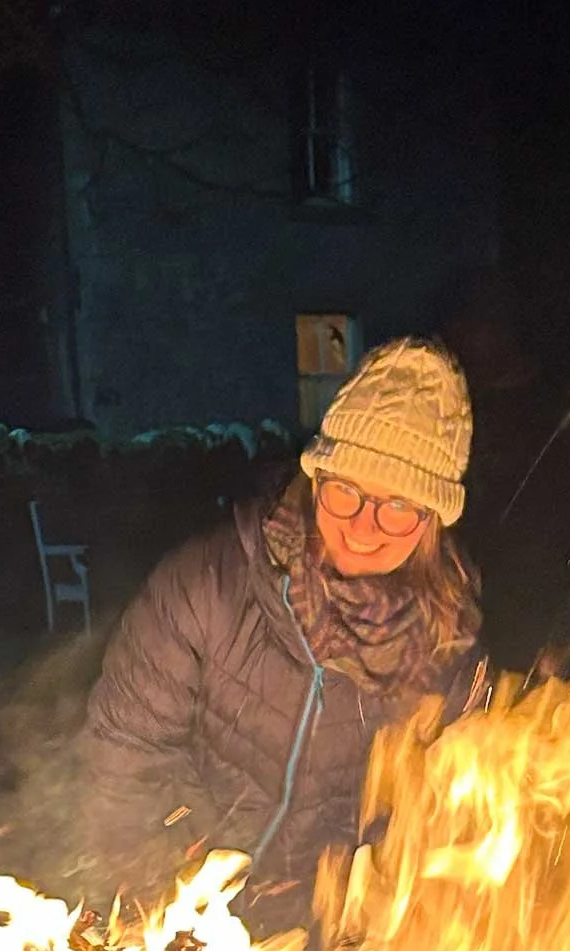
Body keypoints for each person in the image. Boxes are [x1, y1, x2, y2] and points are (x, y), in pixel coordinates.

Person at [78, 337, 483, 918]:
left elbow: (432, 829)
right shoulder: (206, 586)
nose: (364, 528)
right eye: (346, 491)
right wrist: (168, 905)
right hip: (180, 916)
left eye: (398, 506)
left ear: (432, 522)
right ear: (316, 480)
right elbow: (122, 754)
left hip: (324, 947)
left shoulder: (449, 647)